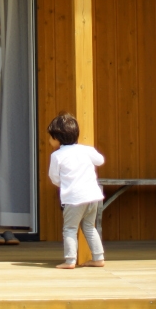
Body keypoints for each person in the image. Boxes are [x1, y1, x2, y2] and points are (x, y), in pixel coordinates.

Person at [48, 113, 106, 270]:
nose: (49, 141)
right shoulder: (85, 150)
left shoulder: (57, 155)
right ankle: (98, 258)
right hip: (93, 196)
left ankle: (70, 260)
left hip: (73, 198)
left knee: (70, 229)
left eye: (51, 137)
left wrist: (63, 184)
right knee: (89, 226)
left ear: (57, 138)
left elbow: (54, 177)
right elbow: (100, 161)